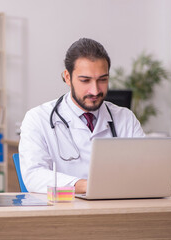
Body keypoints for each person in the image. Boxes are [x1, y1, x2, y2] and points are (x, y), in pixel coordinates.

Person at [19, 38, 145, 194]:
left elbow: (143, 170)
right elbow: (34, 176)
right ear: (67, 77)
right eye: (85, 80)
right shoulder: (38, 118)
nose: (95, 90)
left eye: (103, 80)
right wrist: (87, 186)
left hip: (116, 208)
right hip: (63, 212)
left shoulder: (125, 118)